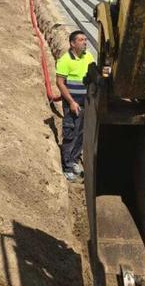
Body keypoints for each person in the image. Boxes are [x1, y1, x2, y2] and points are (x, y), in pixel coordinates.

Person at [55, 30, 95, 181]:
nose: (85, 42)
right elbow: (59, 83)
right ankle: (66, 166)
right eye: (81, 40)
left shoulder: (89, 56)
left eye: (85, 39)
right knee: (71, 132)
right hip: (73, 101)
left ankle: (74, 160)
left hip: (86, 102)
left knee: (81, 133)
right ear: (72, 43)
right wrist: (71, 102)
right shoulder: (65, 60)